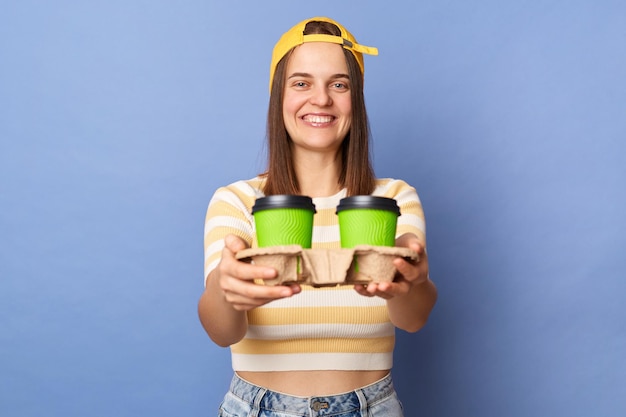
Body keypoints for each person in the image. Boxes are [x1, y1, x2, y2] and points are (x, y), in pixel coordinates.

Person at [198, 16, 437, 417]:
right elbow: (222, 331)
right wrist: (226, 290)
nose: (321, 99)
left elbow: (413, 319)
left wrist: (413, 282)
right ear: (279, 98)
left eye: (338, 84)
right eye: (302, 83)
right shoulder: (238, 201)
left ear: (354, 99)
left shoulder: (393, 198)